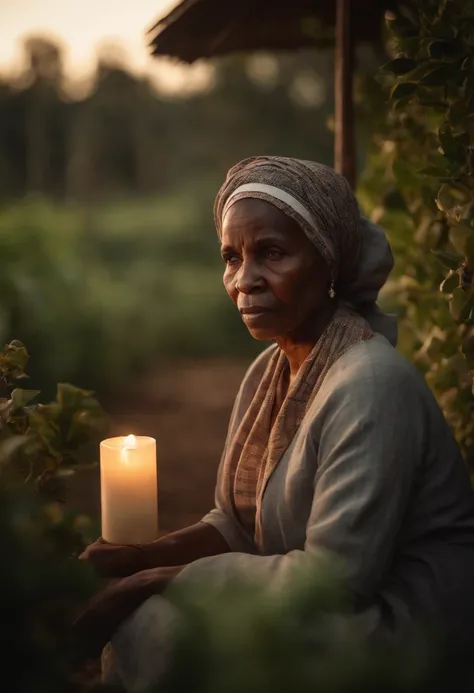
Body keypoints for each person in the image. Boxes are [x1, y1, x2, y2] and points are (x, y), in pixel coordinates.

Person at [76, 156, 474, 689]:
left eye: (272, 254)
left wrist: (156, 582)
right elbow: (236, 527)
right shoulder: (271, 370)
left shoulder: (372, 384)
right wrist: (141, 558)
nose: (245, 281)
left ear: (329, 261)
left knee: (164, 628)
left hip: (399, 628)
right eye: (231, 257)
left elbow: (338, 580)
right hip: (329, 605)